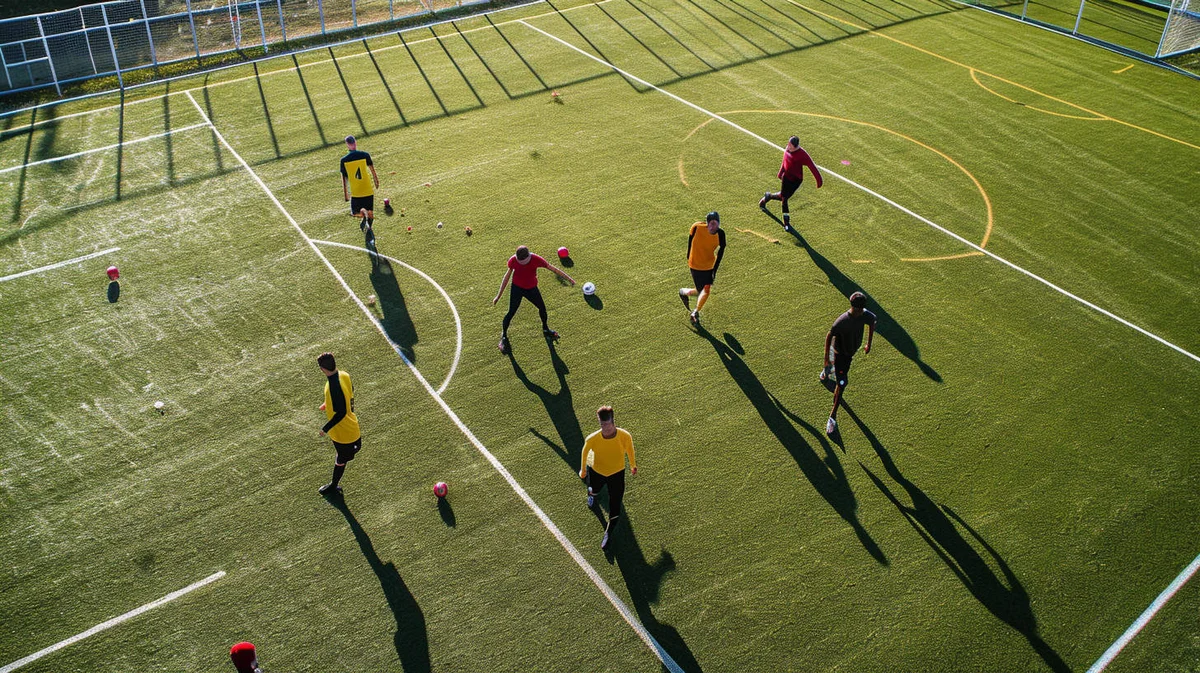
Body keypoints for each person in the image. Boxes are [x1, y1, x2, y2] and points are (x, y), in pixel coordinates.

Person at [492, 245, 575, 354]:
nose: (521, 263)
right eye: (519, 261)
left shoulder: (536, 259)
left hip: (531, 289)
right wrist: (498, 296)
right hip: (517, 288)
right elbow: (506, 277)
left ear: (529, 257)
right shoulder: (513, 260)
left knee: (542, 308)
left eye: (523, 261)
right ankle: (503, 336)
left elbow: (553, 269)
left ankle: (545, 329)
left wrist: (569, 279)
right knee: (511, 312)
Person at [578, 405, 637, 550]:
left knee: (615, 504)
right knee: (594, 489)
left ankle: (608, 533)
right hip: (597, 471)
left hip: (617, 474)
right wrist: (583, 470)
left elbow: (629, 449)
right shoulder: (592, 439)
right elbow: (585, 453)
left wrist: (632, 465)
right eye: (602, 425)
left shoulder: (625, 436)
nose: (605, 428)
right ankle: (592, 494)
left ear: (613, 421)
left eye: (607, 424)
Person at [821, 291, 876, 435]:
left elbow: (872, 322)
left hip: (849, 352)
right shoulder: (842, 321)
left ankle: (827, 372)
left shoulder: (865, 315)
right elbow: (829, 336)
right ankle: (832, 417)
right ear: (854, 307)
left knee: (835, 375)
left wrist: (868, 343)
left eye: (862, 309)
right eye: (859, 309)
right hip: (840, 354)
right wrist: (826, 359)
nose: (861, 312)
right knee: (842, 383)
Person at [316, 352, 362, 495]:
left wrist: (326, 428)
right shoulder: (344, 375)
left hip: (344, 433)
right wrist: (328, 404)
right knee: (342, 456)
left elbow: (341, 413)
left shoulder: (333, 386)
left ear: (322, 369)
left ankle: (333, 486)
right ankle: (334, 484)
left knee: (342, 458)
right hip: (348, 428)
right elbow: (350, 392)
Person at [759, 136, 822, 231]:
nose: (788, 146)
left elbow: (812, 166)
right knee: (784, 199)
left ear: (795, 146)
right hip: (786, 178)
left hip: (796, 180)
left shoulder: (802, 155)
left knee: (783, 196)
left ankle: (768, 196)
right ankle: (786, 222)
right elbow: (784, 161)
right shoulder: (788, 149)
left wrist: (819, 181)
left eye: (790, 145)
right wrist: (780, 173)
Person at [678, 211, 726, 325]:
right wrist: (688, 255)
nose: (713, 226)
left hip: (709, 264)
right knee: (700, 291)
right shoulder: (697, 227)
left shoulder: (721, 234)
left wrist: (715, 269)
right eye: (711, 223)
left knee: (707, 289)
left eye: (716, 224)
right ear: (707, 223)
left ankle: (695, 312)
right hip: (695, 264)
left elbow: (721, 251)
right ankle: (683, 292)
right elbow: (690, 239)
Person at [340, 135, 380, 245]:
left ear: (347, 145)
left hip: (356, 192)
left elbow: (344, 179)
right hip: (367, 189)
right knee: (371, 213)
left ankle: (363, 214)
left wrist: (346, 194)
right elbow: (372, 170)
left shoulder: (344, 160)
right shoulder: (365, 155)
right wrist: (376, 181)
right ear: (355, 143)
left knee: (354, 213)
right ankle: (368, 221)